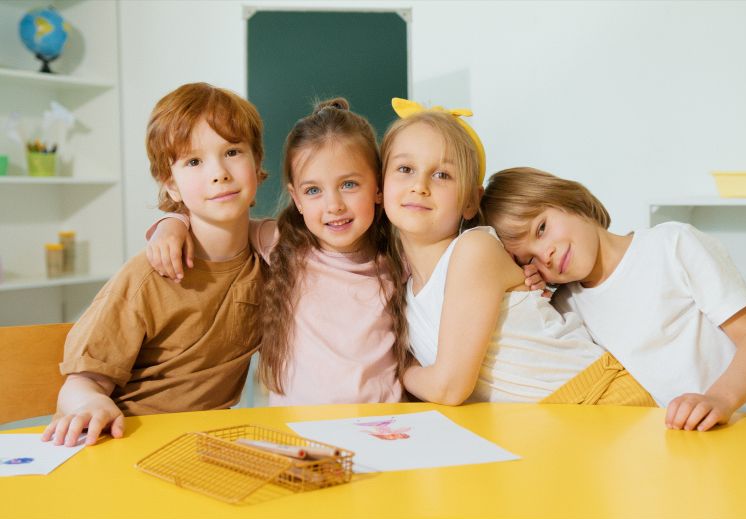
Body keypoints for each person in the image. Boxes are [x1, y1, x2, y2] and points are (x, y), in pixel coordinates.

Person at [480, 166, 746, 430]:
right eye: (529, 259)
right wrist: (534, 291)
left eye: (541, 228)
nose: (544, 254)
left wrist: (720, 400)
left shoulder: (672, 245)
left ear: (569, 201)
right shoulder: (567, 305)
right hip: (715, 444)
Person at [381, 98, 655, 406]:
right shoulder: (406, 294)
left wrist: (399, 370)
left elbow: (449, 389)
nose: (419, 185)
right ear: (381, 185)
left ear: (471, 201)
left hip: (600, 398)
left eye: (442, 175)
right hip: (541, 421)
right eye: (405, 169)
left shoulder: (474, 250)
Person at [43, 82, 267, 447]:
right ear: (171, 185)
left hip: (201, 445)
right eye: (194, 161)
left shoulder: (270, 262)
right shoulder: (148, 275)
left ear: (256, 163)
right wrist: (90, 404)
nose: (219, 173)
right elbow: (81, 383)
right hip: (120, 438)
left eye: (232, 152)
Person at [145, 98, 406, 405]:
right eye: (313, 190)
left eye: (349, 185)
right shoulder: (283, 243)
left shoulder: (400, 257)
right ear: (297, 199)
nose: (333, 205)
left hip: (382, 424)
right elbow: (216, 223)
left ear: (378, 187)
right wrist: (172, 223)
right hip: (298, 429)